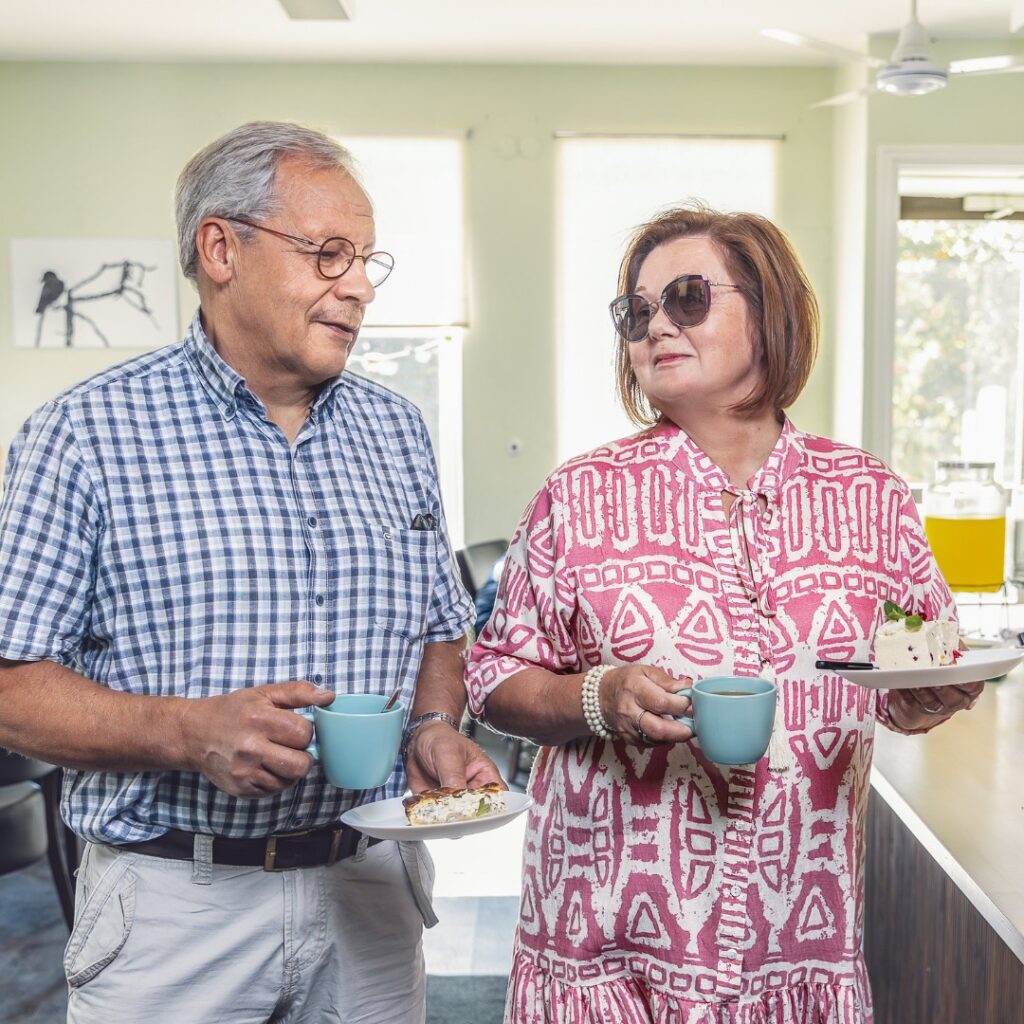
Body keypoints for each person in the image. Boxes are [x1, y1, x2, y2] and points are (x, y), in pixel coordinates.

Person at [0, 120, 501, 1024]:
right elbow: (11, 685)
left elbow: (439, 627)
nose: (356, 286)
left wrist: (433, 724)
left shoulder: (397, 432)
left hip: (371, 888)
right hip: (172, 912)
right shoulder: (84, 434)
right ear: (221, 248)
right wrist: (185, 733)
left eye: (366, 261)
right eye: (329, 254)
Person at [465, 204, 982, 1023]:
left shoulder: (870, 496)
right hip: (608, 951)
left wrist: (924, 701)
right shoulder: (580, 496)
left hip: (798, 944)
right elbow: (492, 678)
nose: (655, 327)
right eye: (636, 313)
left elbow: (913, 671)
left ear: (769, 310)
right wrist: (597, 697)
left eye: (688, 298)